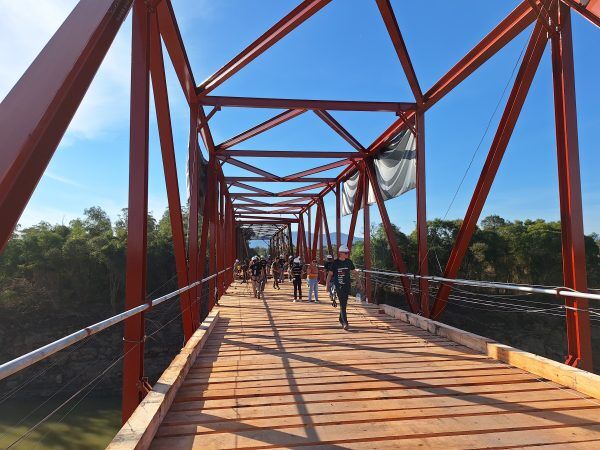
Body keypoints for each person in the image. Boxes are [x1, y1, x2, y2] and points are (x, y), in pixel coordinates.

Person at [326, 244, 357, 330]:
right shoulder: (335, 263)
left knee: (344, 304)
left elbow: (354, 272)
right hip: (338, 286)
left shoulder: (349, 262)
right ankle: (345, 323)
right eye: (346, 253)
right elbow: (329, 275)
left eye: (347, 253)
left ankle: (340, 319)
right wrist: (327, 285)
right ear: (341, 253)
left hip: (347, 285)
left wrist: (359, 282)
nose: (347, 254)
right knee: (343, 304)